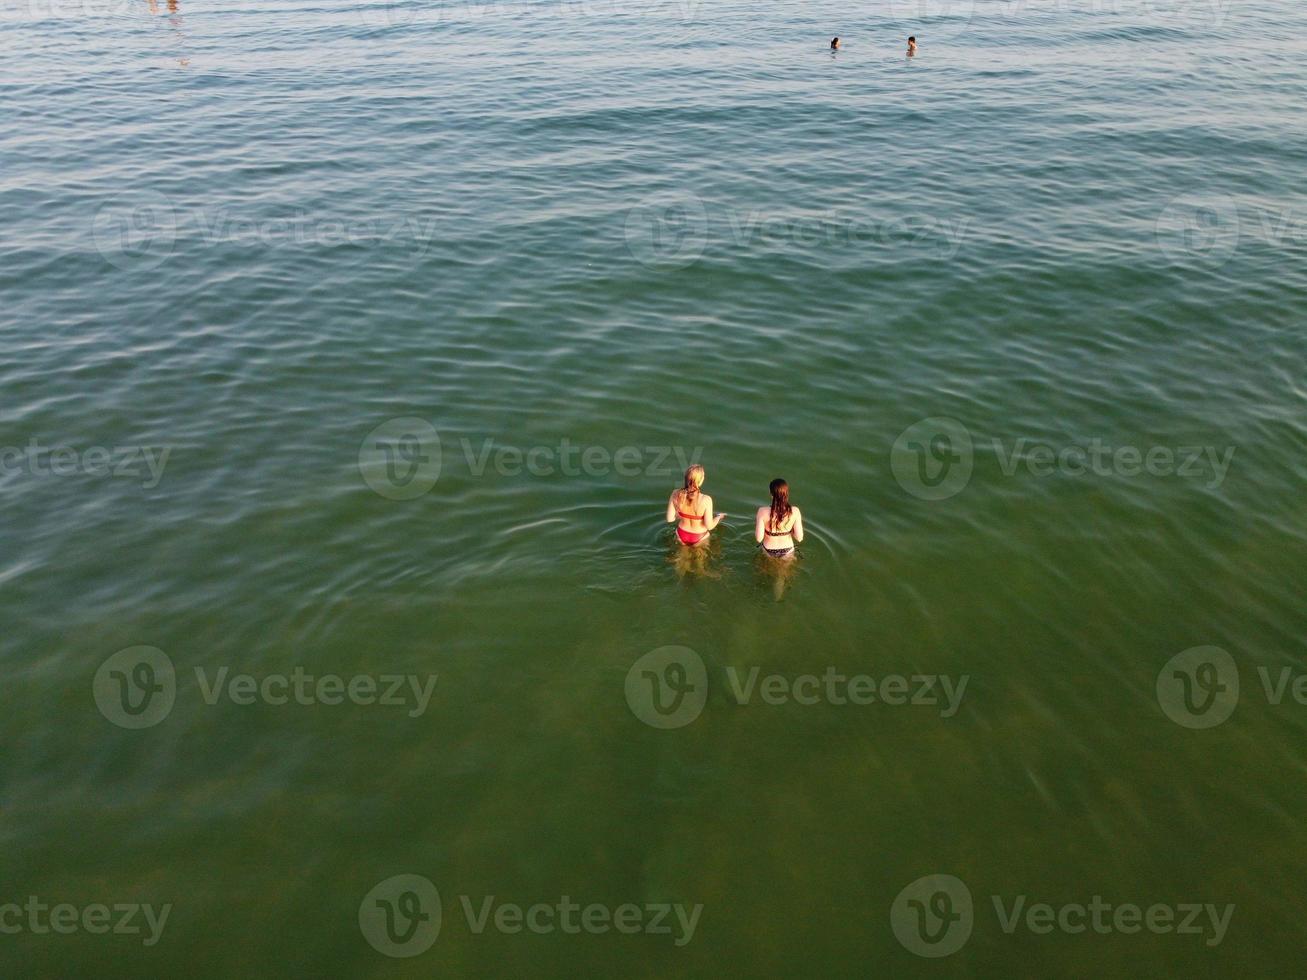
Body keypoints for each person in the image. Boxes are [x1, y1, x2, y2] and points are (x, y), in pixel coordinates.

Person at [667, 465, 725, 547]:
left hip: (681, 534)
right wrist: (718, 517)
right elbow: (709, 526)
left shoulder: (675, 493)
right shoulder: (706, 499)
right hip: (700, 536)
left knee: (681, 559)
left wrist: (681, 515)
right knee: (699, 560)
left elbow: (670, 519)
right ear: (700, 480)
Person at [755, 478, 803, 559]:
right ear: (787, 493)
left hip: (768, 550)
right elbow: (799, 538)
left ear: (771, 494)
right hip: (788, 549)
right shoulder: (795, 511)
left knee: (765, 571)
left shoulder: (762, 511)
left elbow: (759, 539)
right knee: (785, 572)